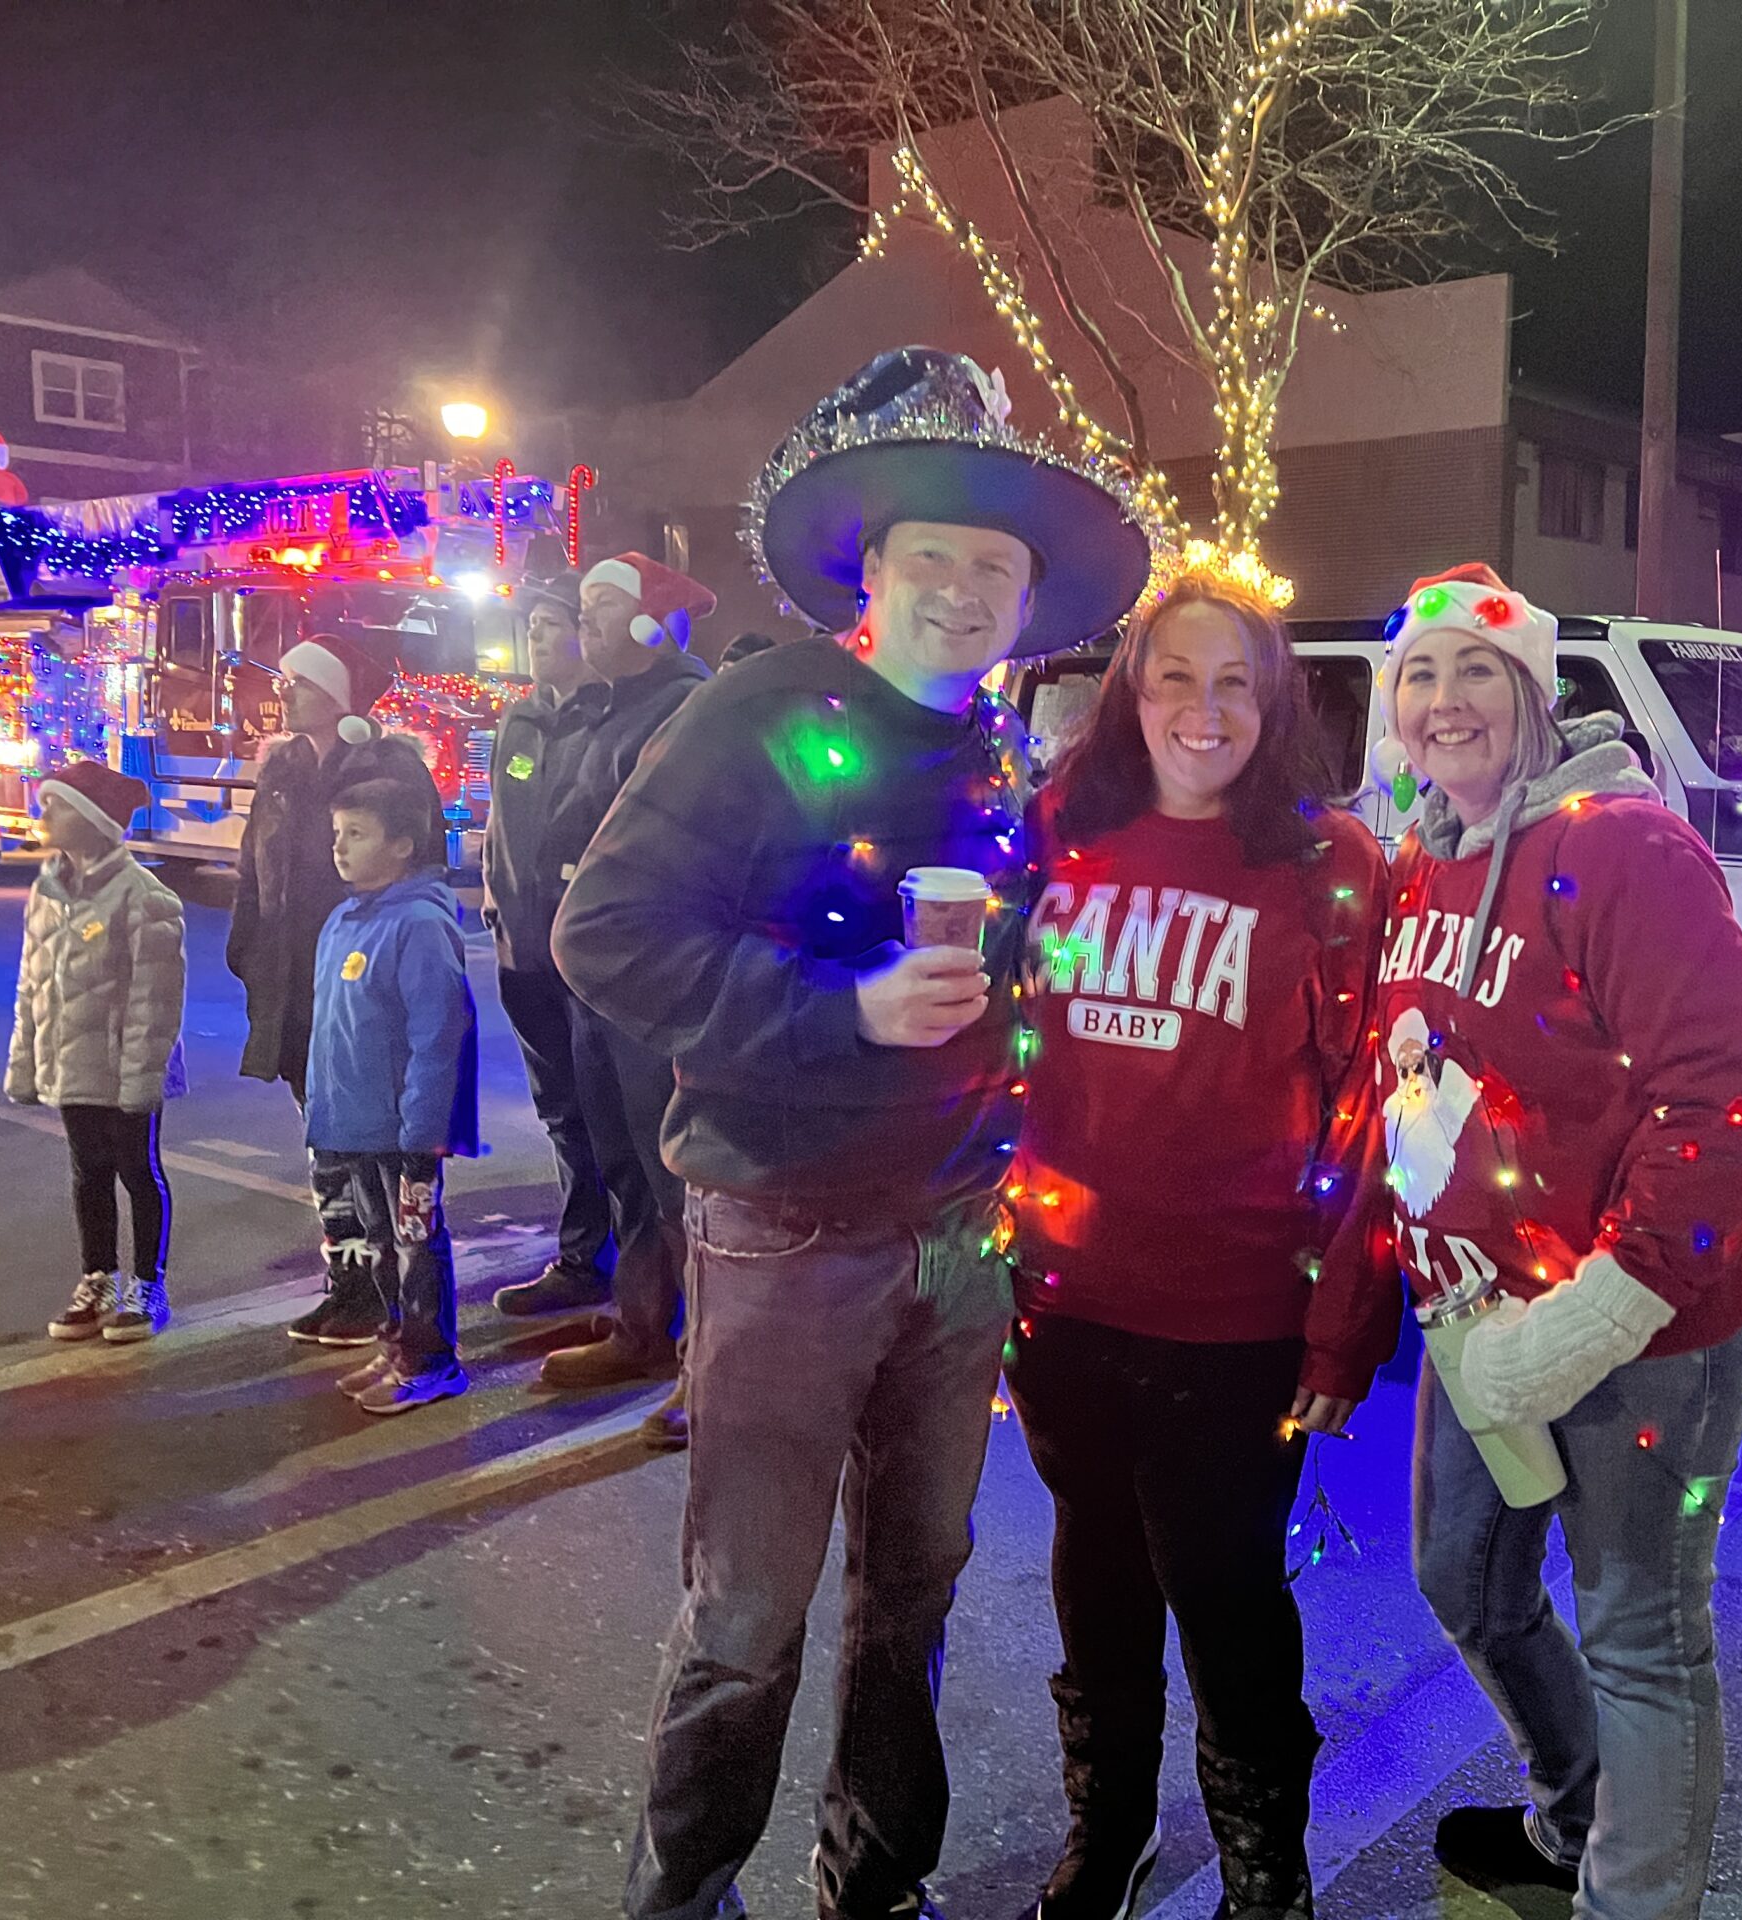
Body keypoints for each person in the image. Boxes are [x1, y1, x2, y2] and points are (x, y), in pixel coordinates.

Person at [552, 347, 1160, 1920]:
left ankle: (873, 1874)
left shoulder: (997, 753)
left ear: (1027, 604)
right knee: (748, 1611)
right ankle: (681, 1898)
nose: (964, 593)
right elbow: (606, 934)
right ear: (873, 576)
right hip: (784, 1236)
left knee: (918, 1590)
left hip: (959, 1246)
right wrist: (845, 1011)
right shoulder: (760, 709)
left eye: (996, 570)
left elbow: (1007, 972)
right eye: (934, 561)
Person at [1342, 564, 1742, 1920]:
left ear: (1537, 693)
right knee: (1463, 1582)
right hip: (1473, 1321)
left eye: (1478, 671)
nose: (1444, 700)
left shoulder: (1623, 846)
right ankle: (1577, 1808)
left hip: (1646, 1332)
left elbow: (1727, 1100)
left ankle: (1634, 1899)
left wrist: (1598, 1314)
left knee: (1642, 1636)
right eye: (1420, 675)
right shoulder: (1424, 855)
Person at [1004, 574, 1393, 1920]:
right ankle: (1105, 1835)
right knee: (1094, 1577)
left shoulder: (1330, 863)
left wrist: (1348, 1323)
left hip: (1236, 1317)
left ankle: (1262, 1868)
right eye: (1174, 675)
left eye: (1236, 680)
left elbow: (1369, 1110)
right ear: (1130, 690)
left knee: (1228, 1602)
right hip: (1061, 1296)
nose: (1203, 708)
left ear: (1276, 697)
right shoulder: (1063, 829)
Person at [523, 552, 718, 1446]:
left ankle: (706, 1371)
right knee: (621, 1162)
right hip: (590, 978)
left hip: (650, 979)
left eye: (603, 606)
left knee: (676, 1174)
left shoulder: (689, 710)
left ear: (652, 623)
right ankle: (642, 1328)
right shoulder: (600, 708)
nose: (582, 621)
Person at [228, 631, 443, 1348]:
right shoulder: (283, 767)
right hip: (295, 977)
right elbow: (251, 865)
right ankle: (347, 1282)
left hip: (362, 978)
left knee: (379, 1152)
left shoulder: (386, 768)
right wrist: (250, 948)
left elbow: (421, 867)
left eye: (302, 682)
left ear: (341, 699)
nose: (285, 692)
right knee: (325, 1142)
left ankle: (396, 1301)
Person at [305, 777, 481, 1415]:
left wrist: (423, 1136)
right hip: (354, 1125)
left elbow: (437, 1038)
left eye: (357, 834)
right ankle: (396, 1344)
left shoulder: (419, 925)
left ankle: (433, 1360)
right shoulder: (345, 919)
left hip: (405, 1132)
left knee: (415, 1246)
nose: (340, 848)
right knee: (383, 1246)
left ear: (403, 843)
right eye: (337, 834)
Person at [7, 760, 186, 1344]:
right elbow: (30, 986)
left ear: (91, 821)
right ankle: (97, 1278)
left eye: (54, 805)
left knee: (138, 1170)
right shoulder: (46, 891)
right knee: (87, 1173)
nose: (43, 814)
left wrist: (140, 1079)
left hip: (124, 1067)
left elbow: (154, 1004)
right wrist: (27, 1061)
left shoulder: (145, 896)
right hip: (72, 1064)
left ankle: (148, 1286)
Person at [483, 571, 617, 1318]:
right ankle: (580, 1256)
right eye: (528, 626)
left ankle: (639, 1269)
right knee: (561, 1112)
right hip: (522, 952)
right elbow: (502, 822)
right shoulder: (520, 721)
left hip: (589, 956)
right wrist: (495, 900)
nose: (534, 638)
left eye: (549, 625)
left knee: (611, 1113)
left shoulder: (610, 719)